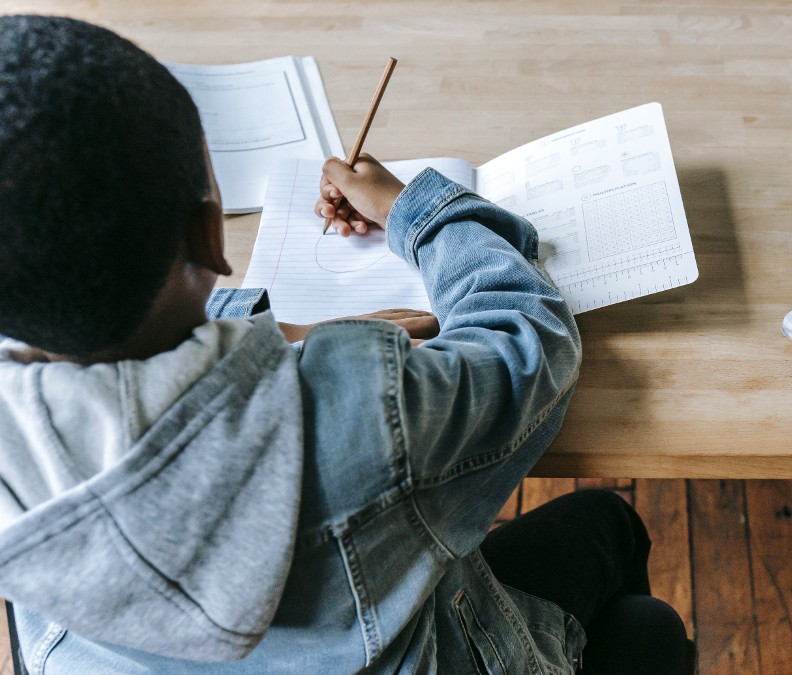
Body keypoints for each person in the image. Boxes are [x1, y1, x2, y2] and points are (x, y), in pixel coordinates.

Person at [0, 15, 690, 674]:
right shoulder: (359, 413)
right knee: (615, 540)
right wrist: (410, 210)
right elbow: (528, 342)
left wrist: (279, 339)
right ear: (212, 235)